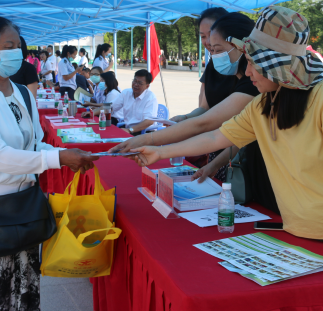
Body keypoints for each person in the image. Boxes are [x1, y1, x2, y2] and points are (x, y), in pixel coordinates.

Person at [130, 5, 323, 311]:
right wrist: (160, 152)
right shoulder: (265, 103)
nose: (246, 73)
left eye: (254, 65)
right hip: (300, 233)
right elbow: (218, 137)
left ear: (279, 67)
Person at [0, 15, 98, 311]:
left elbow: (32, 144)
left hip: (25, 202)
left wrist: (64, 154)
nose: (16, 53)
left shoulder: (20, 92)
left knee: (26, 287)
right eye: (7, 46)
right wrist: (57, 158)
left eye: (18, 46)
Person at [112, 13, 279, 212]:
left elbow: (206, 125)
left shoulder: (308, 96)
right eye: (203, 37)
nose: (208, 45)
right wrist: (159, 148)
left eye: (216, 47)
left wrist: (150, 142)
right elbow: (221, 135)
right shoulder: (259, 96)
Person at [171, 7, 230, 122]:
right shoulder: (212, 66)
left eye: (212, 34)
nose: (208, 42)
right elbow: (204, 107)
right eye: (203, 36)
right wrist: (185, 118)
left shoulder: (246, 69)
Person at [108, 69, 157, 135]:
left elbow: (149, 121)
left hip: (144, 131)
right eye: (134, 81)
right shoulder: (126, 93)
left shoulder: (150, 97)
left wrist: (130, 130)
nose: (136, 85)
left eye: (140, 83)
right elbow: (110, 107)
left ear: (147, 86)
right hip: (128, 128)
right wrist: (92, 113)